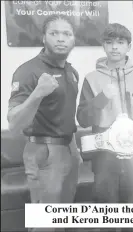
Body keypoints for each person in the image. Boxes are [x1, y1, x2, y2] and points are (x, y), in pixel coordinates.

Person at [7, 15, 81, 232]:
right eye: (54, 33)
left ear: (73, 39)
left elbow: (65, 113)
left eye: (67, 34)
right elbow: (14, 124)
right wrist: (37, 94)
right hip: (43, 152)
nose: (61, 39)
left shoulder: (71, 71)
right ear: (43, 37)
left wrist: (74, 149)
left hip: (69, 148)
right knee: (45, 224)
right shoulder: (28, 70)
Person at [77, 23, 133, 232]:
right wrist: (102, 98)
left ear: (128, 46)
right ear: (103, 46)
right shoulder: (92, 78)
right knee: (106, 211)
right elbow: (82, 118)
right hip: (104, 155)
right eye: (109, 42)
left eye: (120, 42)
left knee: (131, 210)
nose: (114, 47)